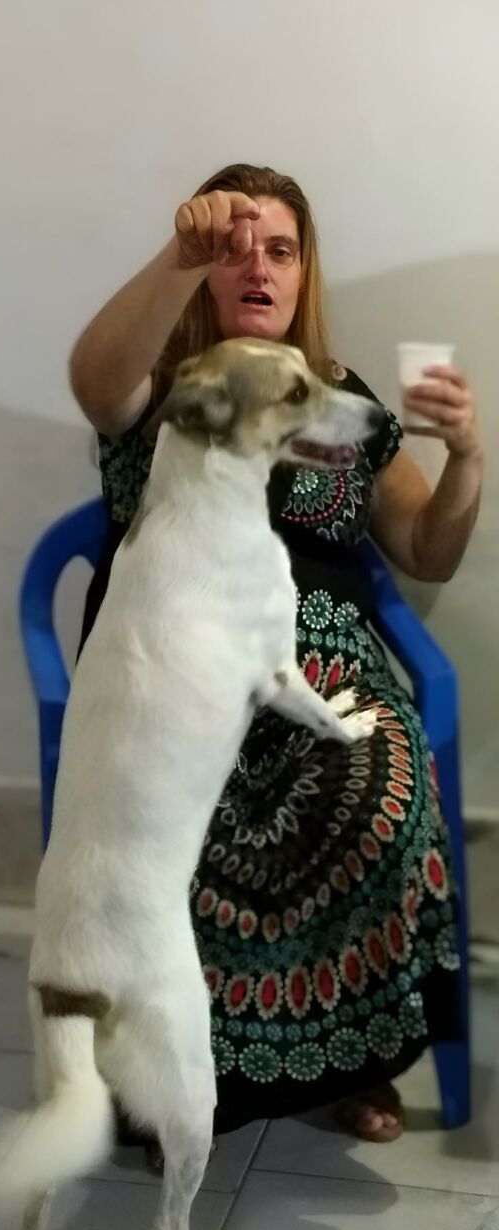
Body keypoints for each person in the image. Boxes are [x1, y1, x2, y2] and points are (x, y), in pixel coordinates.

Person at [69, 162, 483, 1155]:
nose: (258, 266)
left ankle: (360, 1053)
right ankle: (170, 1070)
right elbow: (94, 381)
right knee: (170, 818)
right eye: (234, 250)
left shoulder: (339, 397)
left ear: (305, 273)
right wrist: (178, 254)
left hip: (323, 668)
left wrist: (469, 456)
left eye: (281, 250)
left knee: (377, 788)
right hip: (173, 676)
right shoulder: (171, 387)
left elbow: (426, 549)